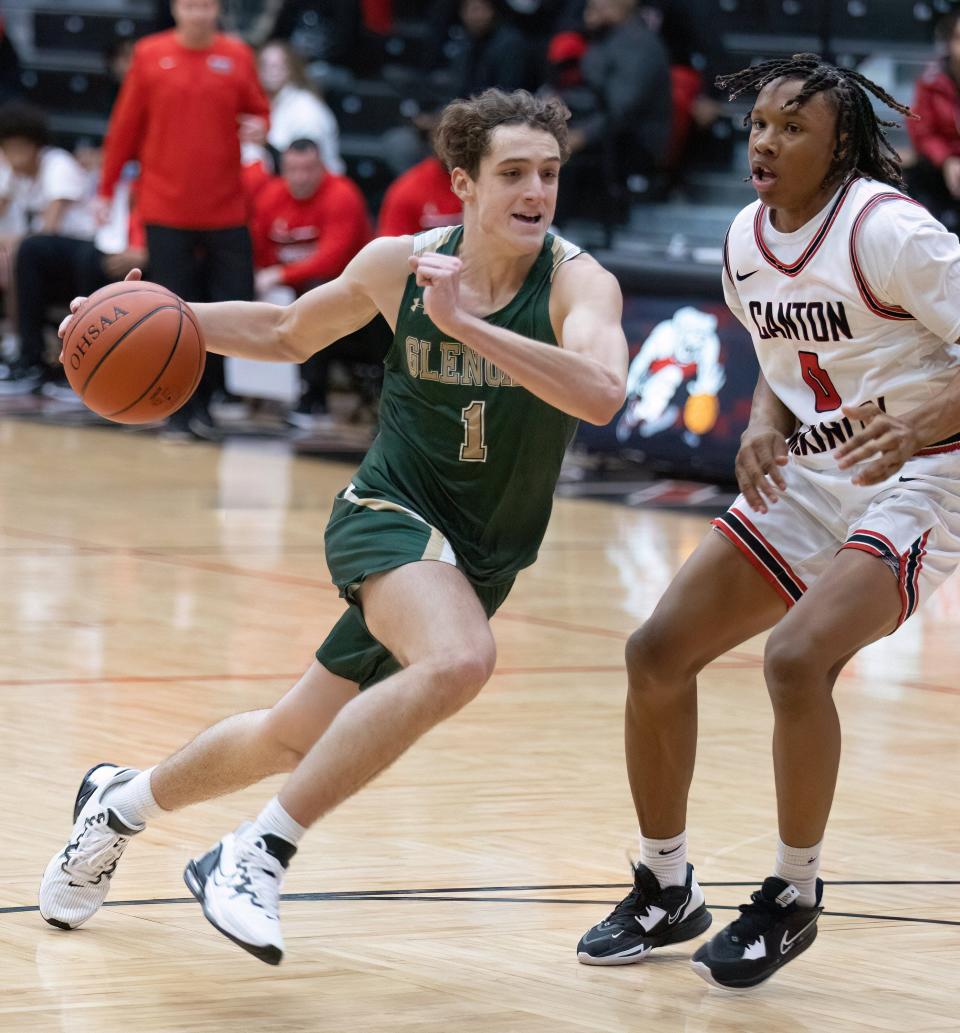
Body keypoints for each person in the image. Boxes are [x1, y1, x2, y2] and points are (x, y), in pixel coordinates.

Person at [38, 88, 629, 966]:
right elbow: (285, 331)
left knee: (289, 734)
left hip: (480, 554)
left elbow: (603, 392)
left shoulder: (579, 283)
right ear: (463, 183)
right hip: (388, 513)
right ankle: (256, 852)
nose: (535, 189)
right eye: (512, 173)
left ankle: (119, 804)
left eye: (547, 172)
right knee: (461, 659)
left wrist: (472, 327)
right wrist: (159, 319)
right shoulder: (403, 263)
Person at [577, 53, 960, 990]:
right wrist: (757, 427)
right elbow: (782, 371)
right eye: (759, 125)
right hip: (815, 474)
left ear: (840, 149)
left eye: (793, 127)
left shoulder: (891, 231)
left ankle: (793, 894)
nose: (766, 140)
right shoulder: (746, 236)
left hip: (927, 474)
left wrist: (921, 416)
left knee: (795, 659)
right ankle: (665, 884)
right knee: (656, 651)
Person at [97, 0, 270, 439]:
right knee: (173, 312)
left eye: (207, 5)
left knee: (228, 303)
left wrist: (261, 127)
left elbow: (259, 111)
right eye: (191, 5)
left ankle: (209, 398)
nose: (199, 13)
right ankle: (179, 406)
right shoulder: (150, 54)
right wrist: (106, 188)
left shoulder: (237, 55)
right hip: (166, 206)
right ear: (176, 9)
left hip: (226, 206)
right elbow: (124, 126)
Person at [251, 137, 373, 425]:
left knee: (319, 293)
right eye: (292, 169)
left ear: (322, 167)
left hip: (344, 297)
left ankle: (313, 399)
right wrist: (270, 277)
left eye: (308, 169)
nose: (300, 178)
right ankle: (236, 390)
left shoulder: (343, 195)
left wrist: (281, 275)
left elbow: (333, 261)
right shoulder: (270, 196)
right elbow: (259, 251)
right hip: (286, 294)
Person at [0, 103, 91, 390]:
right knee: (17, 255)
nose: (14, 157)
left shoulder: (57, 164)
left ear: (36, 145)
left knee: (24, 251)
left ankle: (30, 355)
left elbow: (49, 229)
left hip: (82, 251)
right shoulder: (14, 175)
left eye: (20, 148)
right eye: (7, 149)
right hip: (43, 259)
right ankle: (18, 350)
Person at [256, 39, 344, 174]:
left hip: (312, 184)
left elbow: (307, 163)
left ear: (292, 68)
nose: (270, 72)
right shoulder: (264, 102)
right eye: (264, 65)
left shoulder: (306, 108)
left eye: (278, 66)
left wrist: (264, 143)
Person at [908, 10, 960, 231]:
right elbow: (922, 131)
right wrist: (947, 160)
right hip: (938, 170)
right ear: (949, 43)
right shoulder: (931, 81)